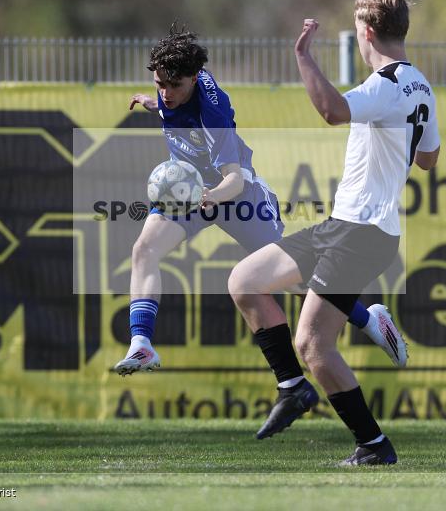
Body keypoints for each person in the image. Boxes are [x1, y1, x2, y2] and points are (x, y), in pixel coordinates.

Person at [114, 24, 408, 380]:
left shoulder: (213, 113)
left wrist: (208, 197)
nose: (165, 92)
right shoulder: (172, 84)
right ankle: (142, 344)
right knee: (144, 249)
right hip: (186, 189)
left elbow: (234, 180)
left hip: (236, 195)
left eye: (174, 86)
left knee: (290, 280)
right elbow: (171, 108)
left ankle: (369, 319)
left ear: (193, 79)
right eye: (160, 83)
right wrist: (153, 103)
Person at [228, 0, 439, 465]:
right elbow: (428, 158)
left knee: (313, 344)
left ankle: (374, 445)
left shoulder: (385, 84)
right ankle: (294, 388)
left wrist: (304, 57)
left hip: (362, 234)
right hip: (344, 225)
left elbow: (331, 111)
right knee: (245, 280)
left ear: (365, 33)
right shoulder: (420, 85)